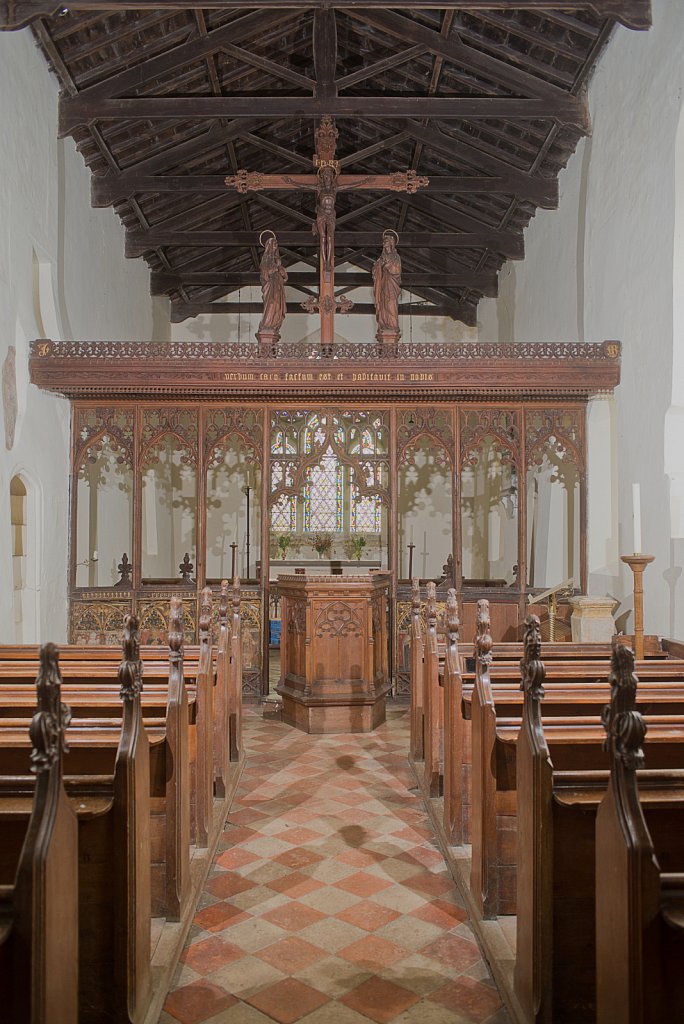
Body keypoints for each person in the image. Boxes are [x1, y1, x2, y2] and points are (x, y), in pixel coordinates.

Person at [258, 234, 288, 333]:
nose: (276, 245)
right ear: (269, 246)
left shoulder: (278, 261)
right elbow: (264, 273)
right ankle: (267, 325)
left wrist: (283, 273)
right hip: (270, 288)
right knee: (271, 303)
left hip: (278, 287)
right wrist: (276, 269)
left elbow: (284, 277)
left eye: (276, 243)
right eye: (273, 243)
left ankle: (275, 324)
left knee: (278, 307)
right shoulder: (266, 258)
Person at [373, 231, 402, 333]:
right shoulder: (381, 258)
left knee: (391, 304)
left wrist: (388, 265)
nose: (384, 242)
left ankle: (392, 326)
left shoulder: (396, 256)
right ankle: (384, 324)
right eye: (384, 240)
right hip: (382, 284)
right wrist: (378, 267)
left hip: (391, 285)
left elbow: (397, 271)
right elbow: (375, 270)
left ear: (391, 242)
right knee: (383, 306)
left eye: (386, 240)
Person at [313, 165, 337, 275]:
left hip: (331, 215)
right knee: (323, 237)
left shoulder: (334, 189)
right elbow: (303, 186)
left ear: (332, 177)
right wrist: (291, 182)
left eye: (329, 175)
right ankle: (325, 263)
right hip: (321, 215)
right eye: (325, 175)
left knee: (330, 237)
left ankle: (328, 263)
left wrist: (365, 181)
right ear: (322, 177)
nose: (327, 177)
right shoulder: (319, 188)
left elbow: (350, 185)